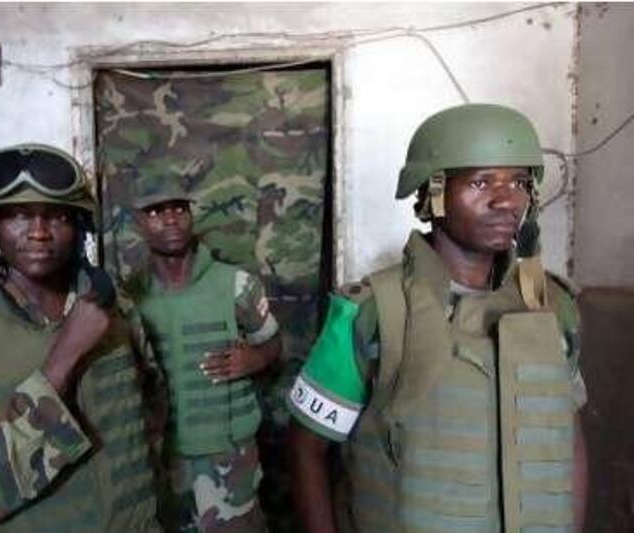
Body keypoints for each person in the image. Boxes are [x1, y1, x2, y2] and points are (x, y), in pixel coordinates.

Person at [287, 104, 588, 532]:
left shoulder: (551, 306)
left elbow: (567, 438)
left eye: (519, 182)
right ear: (433, 193)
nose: (506, 200)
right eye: (481, 182)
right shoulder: (373, 311)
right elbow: (306, 447)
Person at [0, 143, 161, 531]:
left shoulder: (117, 305)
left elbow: (153, 420)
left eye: (56, 216)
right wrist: (64, 357)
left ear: (79, 226)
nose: (38, 232)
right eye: (19, 215)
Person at [124, 179, 282, 532]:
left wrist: (255, 359)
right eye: (155, 212)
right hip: (161, 461)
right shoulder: (129, 297)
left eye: (179, 209)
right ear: (138, 223)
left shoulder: (237, 284)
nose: (170, 219)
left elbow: (273, 344)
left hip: (229, 460)